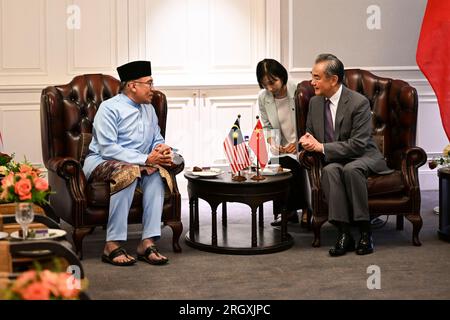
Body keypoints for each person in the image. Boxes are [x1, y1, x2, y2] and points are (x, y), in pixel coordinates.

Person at [299, 54, 392, 256]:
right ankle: (344, 233)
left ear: (333, 80)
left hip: (363, 155)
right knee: (331, 171)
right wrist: (306, 142)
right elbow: (310, 134)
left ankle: (365, 231)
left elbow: (358, 145)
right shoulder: (315, 103)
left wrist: (321, 147)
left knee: (352, 169)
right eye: (311, 76)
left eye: (316, 77)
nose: (311, 82)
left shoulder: (358, 102)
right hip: (335, 159)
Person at [83, 60, 173, 266]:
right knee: (129, 173)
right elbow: (108, 148)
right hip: (102, 161)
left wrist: (162, 149)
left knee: (156, 175)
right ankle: (112, 244)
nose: (153, 88)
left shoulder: (148, 109)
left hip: (139, 163)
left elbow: (156, 138)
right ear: (133, 85)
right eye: (149, 83)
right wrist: (145, 159)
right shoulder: (109, 108)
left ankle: (147, 242)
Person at [256, 58, 309, 227]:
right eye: (265, 85)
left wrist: (299, 143)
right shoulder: (264, 98)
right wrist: (273, 142)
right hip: (284, 146)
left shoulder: (299, 91)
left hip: (304, 144)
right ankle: (286, 212)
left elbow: (310, 122)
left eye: (273, 82)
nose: (270, 88)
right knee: (276, 165)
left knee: (296, 165)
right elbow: (267, 125)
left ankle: (307, 210)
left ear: (282, 76)